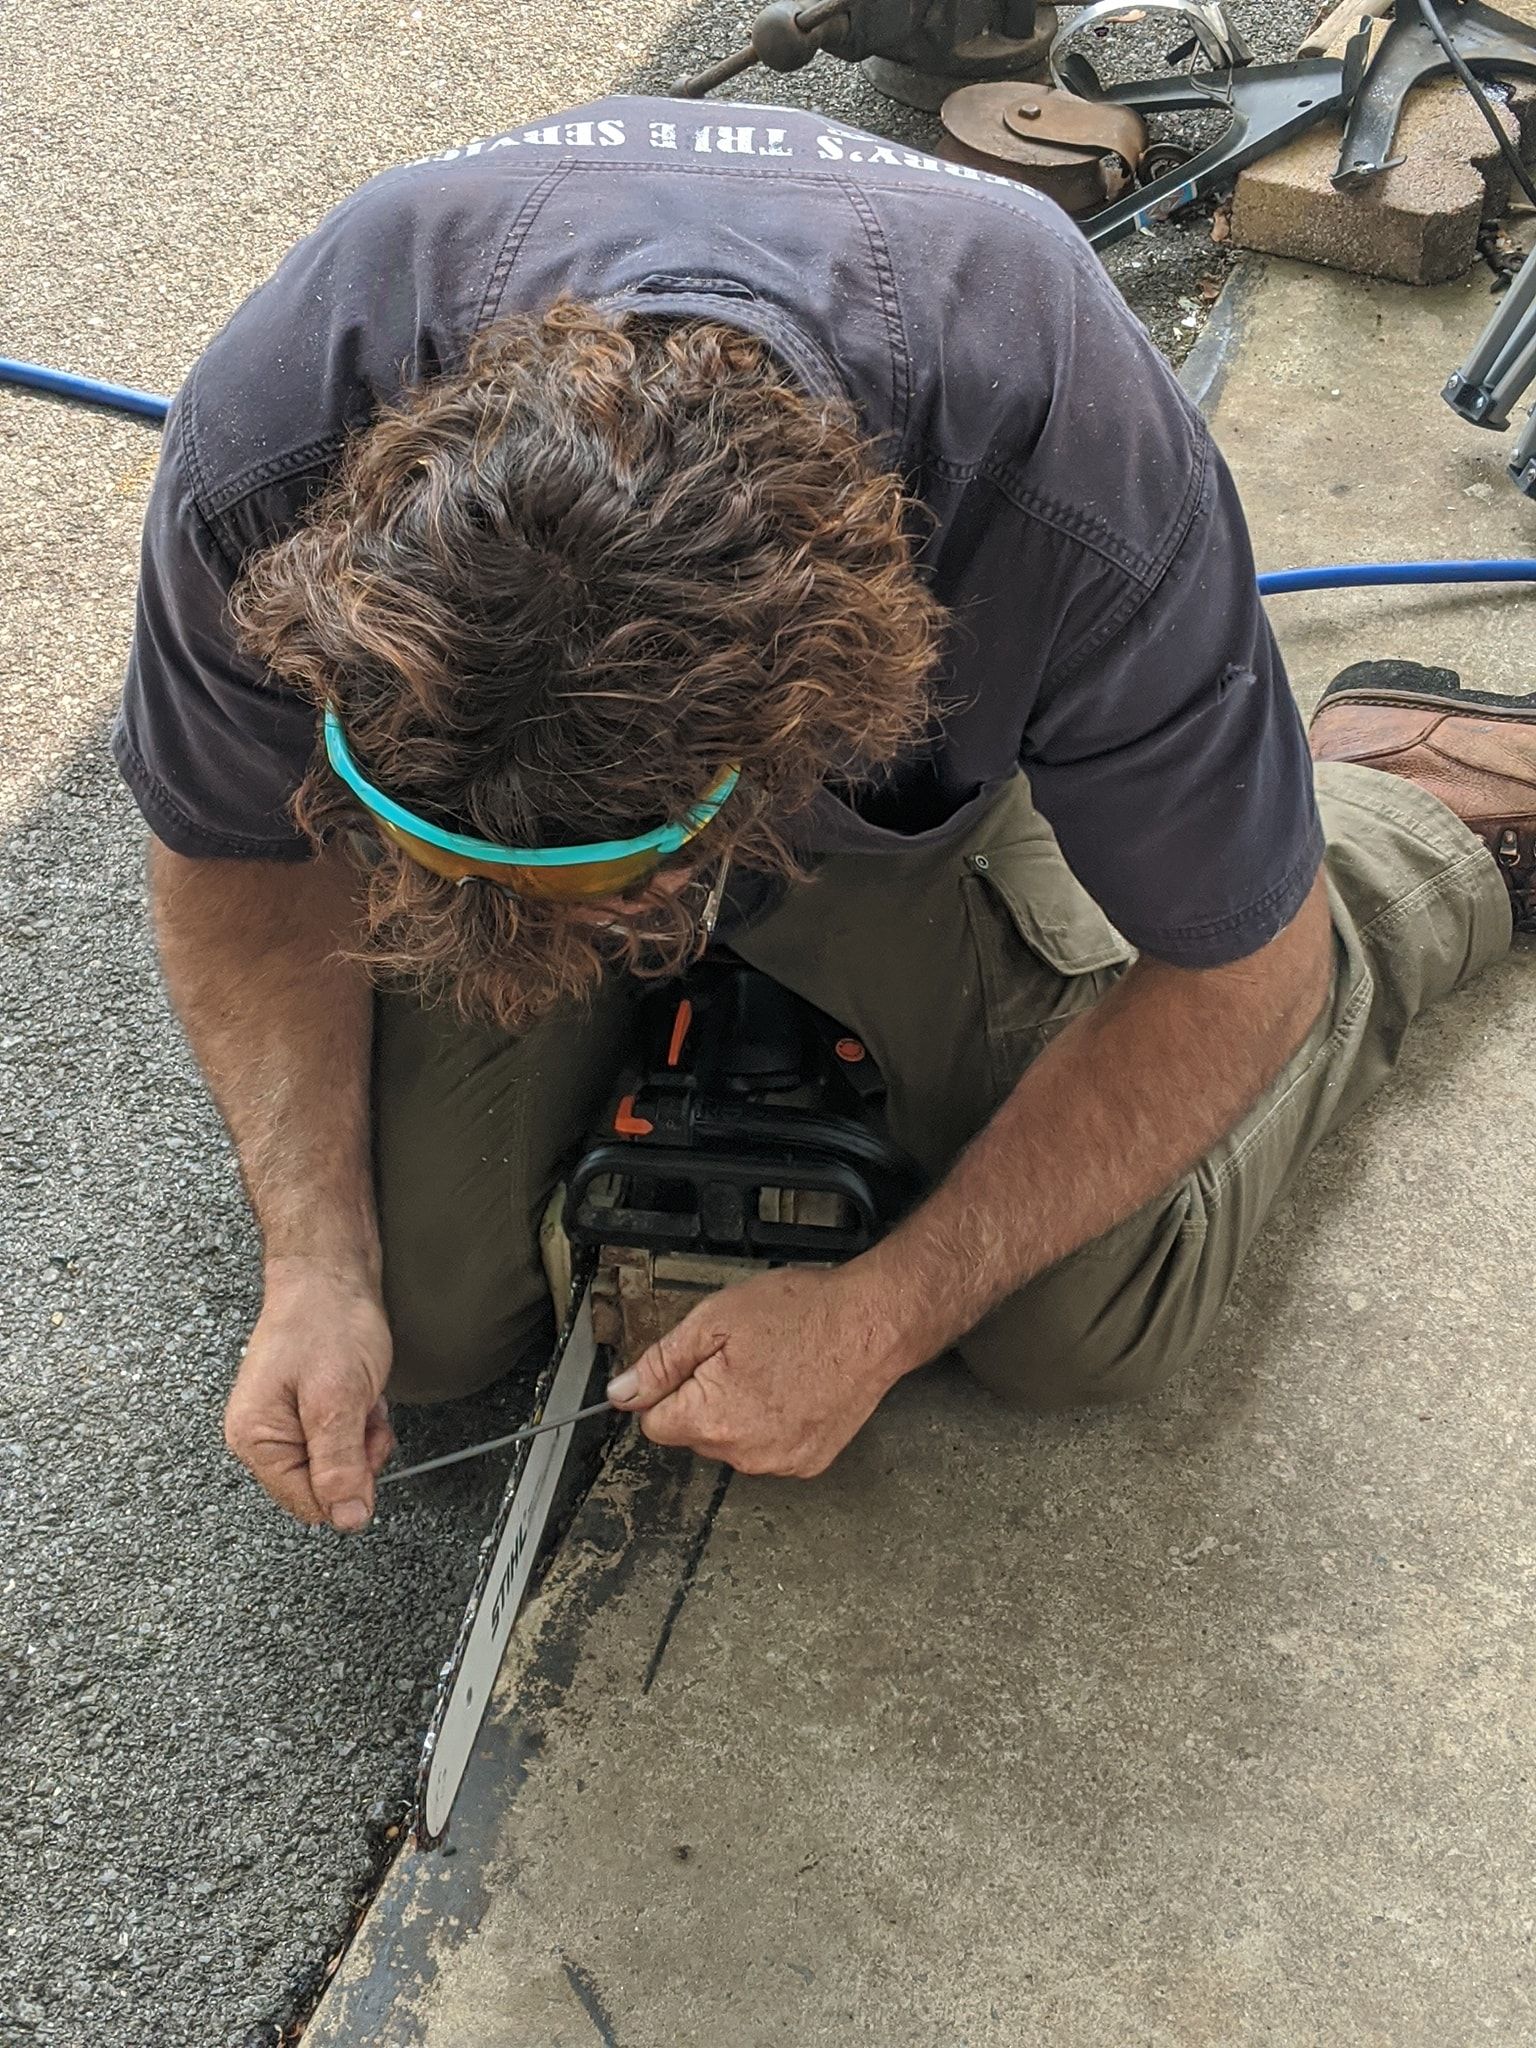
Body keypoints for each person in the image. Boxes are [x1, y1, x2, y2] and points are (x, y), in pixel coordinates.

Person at [116, 96, 1531, 1535]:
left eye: (614, 894)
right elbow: (228, 856)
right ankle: (710, 995)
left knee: (1086, 1317)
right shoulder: (276, 444)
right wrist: (313, 1266)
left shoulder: (1061, 449)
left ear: (801, 727)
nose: (570, 931)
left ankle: (1403, 800)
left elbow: (1242, 980)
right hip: (616, 765)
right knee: (420, 1326)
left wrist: (886, 1314)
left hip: (928, 798)